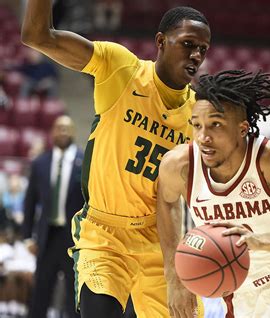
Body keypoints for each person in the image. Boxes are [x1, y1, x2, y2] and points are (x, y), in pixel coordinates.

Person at [22, 2, 211, 317]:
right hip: (104, 234)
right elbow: (38, 36)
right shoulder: (122, 68)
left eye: (203, 49)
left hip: (157, 238)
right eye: (188, 44)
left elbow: (179, 197)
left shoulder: (198, 114)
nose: (196, 55)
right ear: (161, 42)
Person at [157, 70, 270, 317]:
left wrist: (259, 242)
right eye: (197, 125)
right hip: (240, 296)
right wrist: (175, 277)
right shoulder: (179, 165)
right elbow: (166, 202)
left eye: (216, 125)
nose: (203, 137)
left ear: (243, 128)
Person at [22, 115, 84, 318]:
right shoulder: (40, 163)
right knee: (41, 291)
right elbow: (30, 202)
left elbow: (90, 202)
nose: (62, 132)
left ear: (73, 132)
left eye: (67, 128)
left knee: (72, 294)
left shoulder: (84, 162)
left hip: (73, 239)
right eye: (59, 128)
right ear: (52, 132)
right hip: (47, 237)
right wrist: (27, 237)